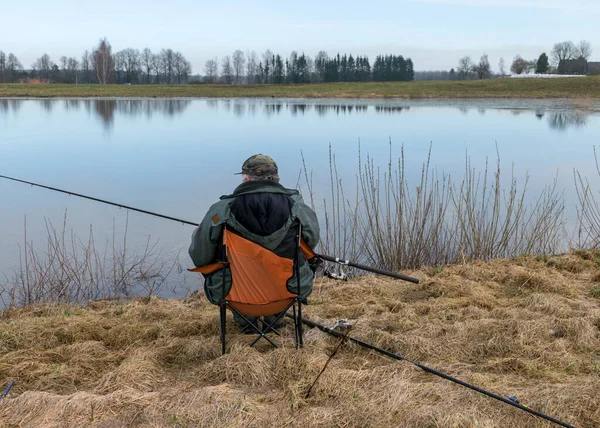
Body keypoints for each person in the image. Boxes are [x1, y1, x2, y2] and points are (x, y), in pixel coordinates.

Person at [189, 154, 320, 333]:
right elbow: (310, 242)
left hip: (234, 295)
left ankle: (245, 323)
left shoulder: (221, 210)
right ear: (276, 178)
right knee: (289, 264)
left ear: (247, 178)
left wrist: (198, 234)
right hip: (287, 292)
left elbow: (199, 255)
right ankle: (274, 321)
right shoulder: (298, 208)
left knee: (225, 267)